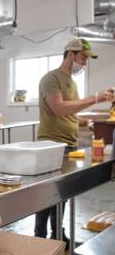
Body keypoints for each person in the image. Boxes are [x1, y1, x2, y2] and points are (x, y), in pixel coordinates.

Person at [35, 38, 115, 243]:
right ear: (70, 54)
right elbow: (59, 108)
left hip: (69, 144)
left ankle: (58, 235)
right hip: (51, 145)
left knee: (63, 193)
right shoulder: (51, 79)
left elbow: (69, 115)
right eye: (83, 58)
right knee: (47, 195)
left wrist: (87, 123)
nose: (85, 63)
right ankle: (40, 238)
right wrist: (96, 98)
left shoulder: (72, 83)